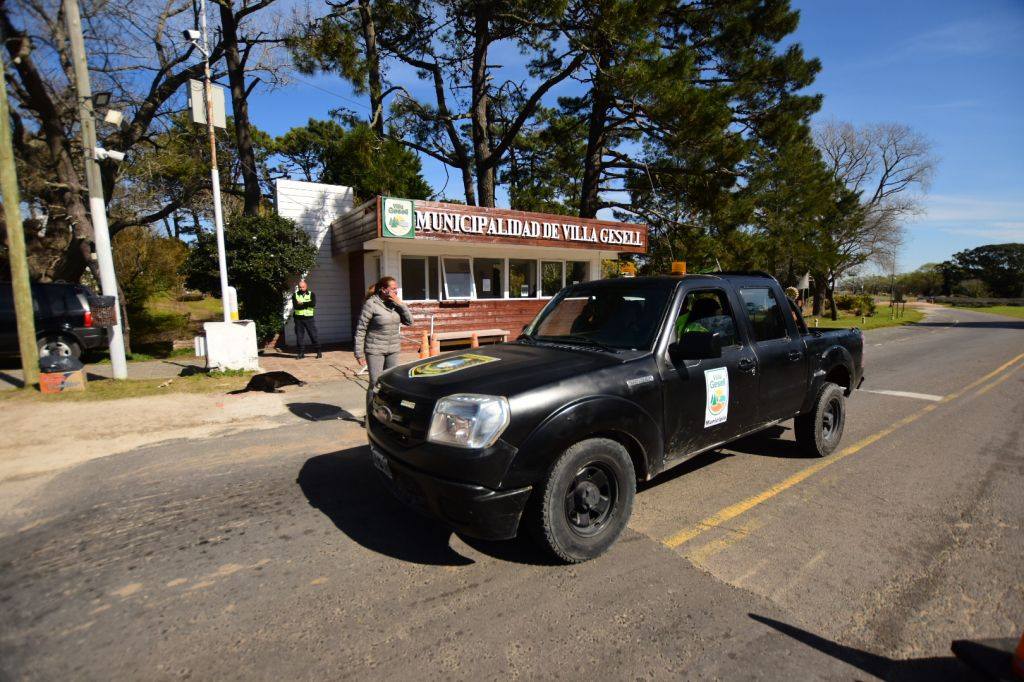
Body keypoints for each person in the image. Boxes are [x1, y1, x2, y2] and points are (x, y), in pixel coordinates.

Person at [354, 276, 414, 389]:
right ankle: (371, 407)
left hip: (393, 349)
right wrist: (359, 353)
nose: (395, 291)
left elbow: (410, 322)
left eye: (396, 288)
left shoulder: (395, 304)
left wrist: (400, 304)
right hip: (375, 349)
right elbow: (361, 329)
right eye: (393, 288)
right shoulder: (371, 304)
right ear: (383, 289)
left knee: (391, 382)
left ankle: (387, 407)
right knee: (376, 383)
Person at [292, 279, 322, 359]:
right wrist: (306, 304)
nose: (301, 289)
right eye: (300, 287)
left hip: (309, 319)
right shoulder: (295, 295)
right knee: (299, 336)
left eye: (303, 287)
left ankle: (318, 351)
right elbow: (296, 306)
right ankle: (301, 353)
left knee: (313, 335)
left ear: (306, 286)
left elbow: (312, 304)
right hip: (298, 319)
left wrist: (302, 304)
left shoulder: (312, 294)